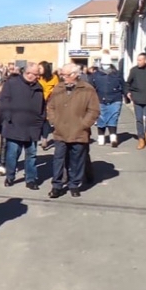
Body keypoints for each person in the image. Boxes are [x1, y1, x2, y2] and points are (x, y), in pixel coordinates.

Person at [47, 64, 100, 198]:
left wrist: (83, 124)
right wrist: (54, 121)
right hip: (60, 131)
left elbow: (93, 110)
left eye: (66, 75)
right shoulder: (58, 88)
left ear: (75, 75)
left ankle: (74, 184)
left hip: (79, 131)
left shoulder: (88, 89)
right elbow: (50, 106)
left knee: (77, 160)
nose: (63, 78)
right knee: (58, 159)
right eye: (62, 75)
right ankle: (56, 186)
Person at [0, 62, 45, 190]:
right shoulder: (12, 83)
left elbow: (42, 107)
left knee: (31, 155)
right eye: (31, 74)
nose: (33, 77)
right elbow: (3, 101)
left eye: (36, 75)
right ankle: (10, 176)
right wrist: (9, 117)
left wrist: (40, 121)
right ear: (25, 72)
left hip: (32, 127)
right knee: (12, 154)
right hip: (14, 125)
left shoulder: (39, 87)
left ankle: (31, 179)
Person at [90, 52, 125, 147]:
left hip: (115, 98)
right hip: (100, 99)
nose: (105, 66)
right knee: (101, 118)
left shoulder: (117, 74)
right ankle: (101, 137)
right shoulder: (95, 75)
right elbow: (91, 88)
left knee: (113, 117)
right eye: (104, 64)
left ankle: (113, 137)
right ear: (101, 64)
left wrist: (127, 95)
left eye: (107, 64)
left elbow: (124, 85)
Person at [38, 61, 59, 149]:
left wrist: (52, 93)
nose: (39, 70)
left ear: (45, 68)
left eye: (40, 68)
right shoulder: (38, 78)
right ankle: (38, 136)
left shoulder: (54, 77)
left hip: (49, 101)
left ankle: (44, 139)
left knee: (46, 120)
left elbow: (57, 89)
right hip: (38, 100)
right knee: (39, 120)